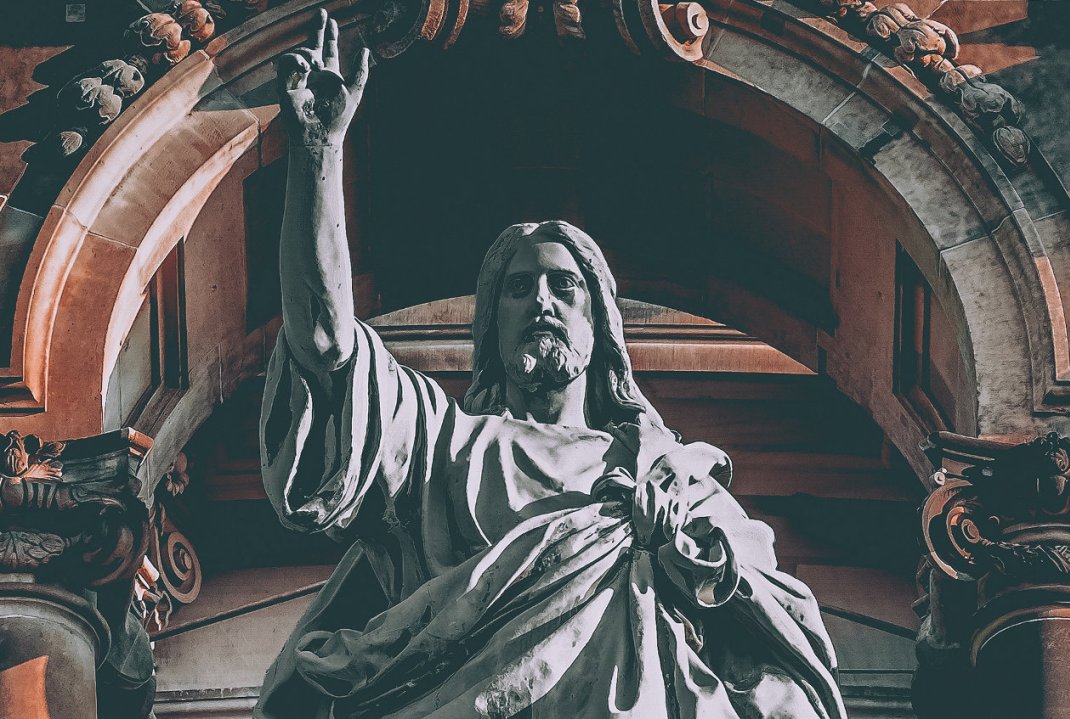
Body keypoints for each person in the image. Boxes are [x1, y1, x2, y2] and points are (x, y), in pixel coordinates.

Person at [256, 11, 847, 719]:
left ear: (600, 326)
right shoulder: (440, 445)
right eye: (518, 288)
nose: (541, 300)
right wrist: (318, 155)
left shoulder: (670, 476)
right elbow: (326, 343)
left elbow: (781, 647)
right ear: (491, 327)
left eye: (564, 286)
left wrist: (694, 553)